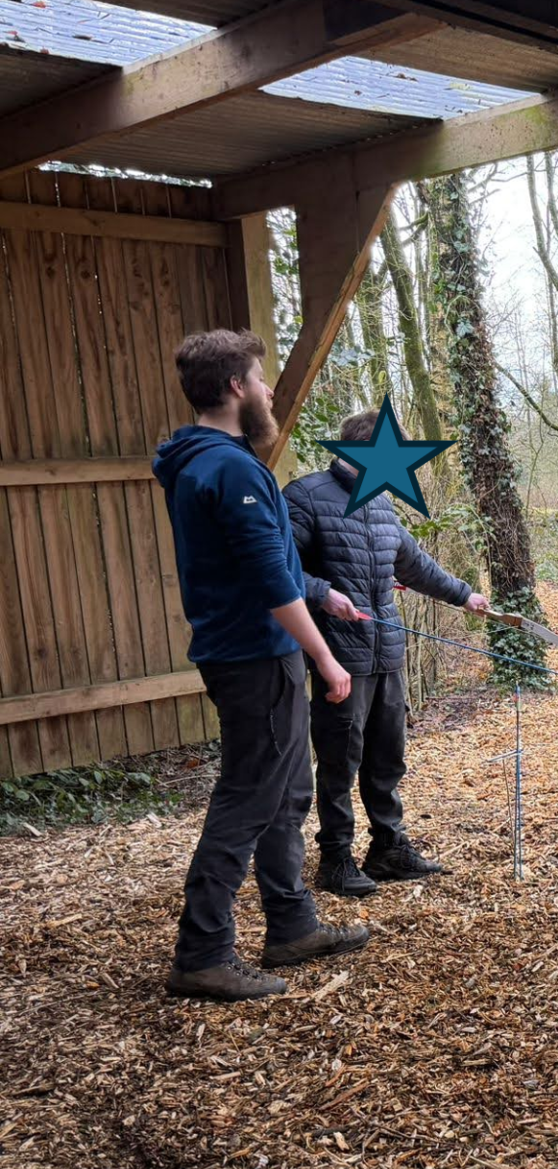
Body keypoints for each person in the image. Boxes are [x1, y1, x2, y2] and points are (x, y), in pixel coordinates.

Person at [152, 330, 371, 1001]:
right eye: (259, 376)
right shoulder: (231, 468)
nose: (270, 390)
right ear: (234, 388)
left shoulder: (210, 462)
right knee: (248, 796)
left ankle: (292, 924)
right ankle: (203, 952)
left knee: (285, 791)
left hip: (253, 651)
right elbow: (268, 580)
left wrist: (322, 593)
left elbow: (268, 562)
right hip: (254, 657)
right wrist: (326, 658)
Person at [285, 410, 490, 896]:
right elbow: (278, 567)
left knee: (387, 756)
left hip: (387, 653)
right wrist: (322, 593)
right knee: (340, 760)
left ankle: (388, 848)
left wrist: (464, 595)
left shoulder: (380, 502)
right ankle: (336, 858)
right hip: (339, 655)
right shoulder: (305, 496)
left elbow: (414, 564)